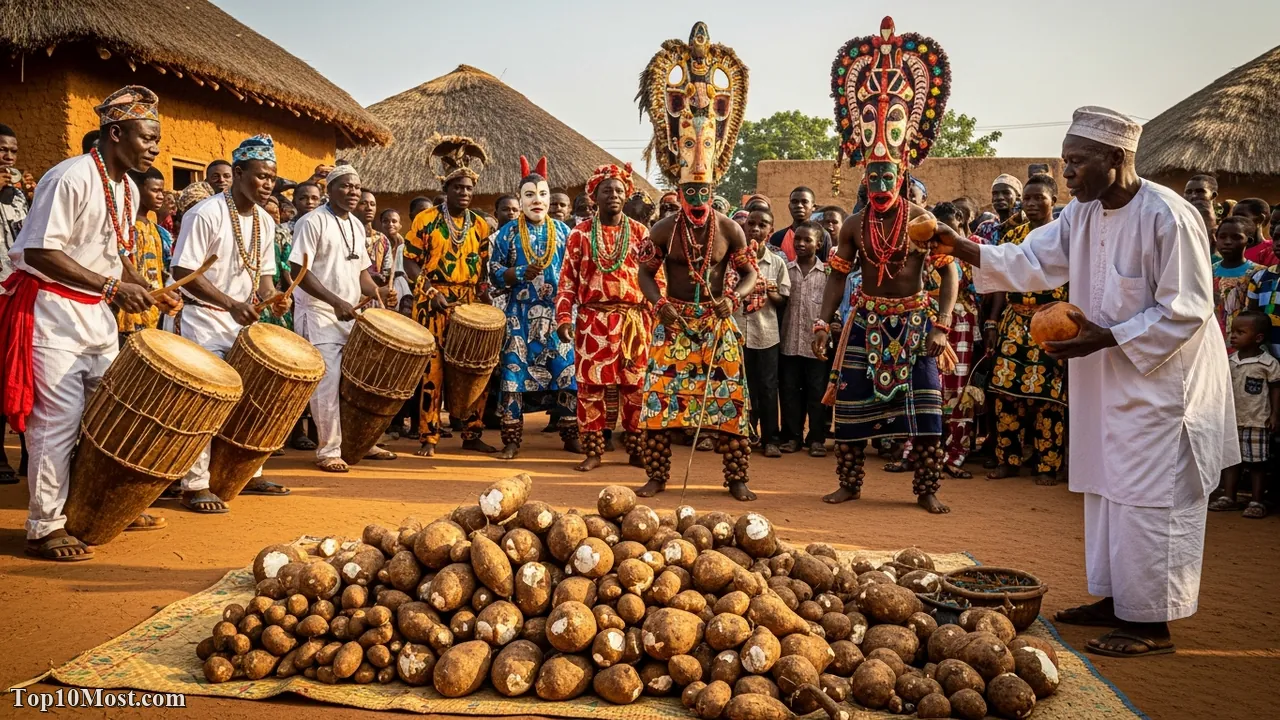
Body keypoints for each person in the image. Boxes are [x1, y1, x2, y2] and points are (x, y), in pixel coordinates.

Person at [938, 106, 1235, 657]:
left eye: (1076, 161)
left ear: (1116, 158)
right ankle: (1118, 598)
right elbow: (1030, 260)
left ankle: (1151, 624)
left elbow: (1188, 309)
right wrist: (957, 244)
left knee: (1149, 498)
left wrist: (1106, 337)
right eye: (1066, 160)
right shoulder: (1082, 214)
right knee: (1106, 489)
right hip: (1104, 381)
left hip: (1161, 388)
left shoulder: (1168, 215)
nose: (1066, 173)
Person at [2, 86, 176, 559]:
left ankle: (102, 504)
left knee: (105, 418)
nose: (155, 149)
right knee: (56, 424)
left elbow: (113, 254)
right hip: (54, 315)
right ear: (115, 132)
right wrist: (115, 289)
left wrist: (144, 285)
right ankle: (44, 526)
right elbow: (40, 250)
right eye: (148, 138)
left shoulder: (123, 186)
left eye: (157, 140)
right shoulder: (70, 177)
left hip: (96, 316)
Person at [812, 18, 957, 514]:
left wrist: (941, 326)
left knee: (928, 413)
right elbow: (836, 273)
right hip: (866, 321)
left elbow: (951, 271)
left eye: (886, 172)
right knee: (850, 412)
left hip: (915, 324)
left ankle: (927, 490)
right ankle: (850, 484)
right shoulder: (853, 225)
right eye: (872, 172)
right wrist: (823, 319)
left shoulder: (923, 222)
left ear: (902, 171)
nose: (878, 179)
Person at [634, 23, 757, 502]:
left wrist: (733, 298)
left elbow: (748, 273)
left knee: (731, 406)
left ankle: (737, 478)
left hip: (717, 322)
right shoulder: (663, 229)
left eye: (704, 194)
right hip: (674, 323)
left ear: (714, 192)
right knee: (659, 407)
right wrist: (658, 302)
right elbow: (645, 271)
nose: (697, 201)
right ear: (680, 192)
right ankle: (657, 476)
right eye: (690, 193)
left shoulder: (730, 229)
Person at [171, 134, 291, 507]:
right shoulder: (205, 213)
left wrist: (274, 300)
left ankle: (243, 474)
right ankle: (194, 485)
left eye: (272, 177)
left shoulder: (265, 222)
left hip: (239, 323)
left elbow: (266, 276)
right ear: (237, 173)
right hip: (201, 320)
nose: (268, 184)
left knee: (245, 401)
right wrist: (230, 303)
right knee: (203, 403)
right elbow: (183, 268)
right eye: (260, 176)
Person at [402, 135, 494, 457]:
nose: (465, 193)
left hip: (467, 305)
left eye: (469, 188)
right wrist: (427, 291)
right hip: (432, 303)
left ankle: (472, 433)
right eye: (458, 188)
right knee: (433, 372)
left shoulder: (480, 225)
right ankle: (429, 435)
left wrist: (483, 300)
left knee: (474, 369)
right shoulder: (425, 220)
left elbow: (481, 269)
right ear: (447, 190)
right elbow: (409, 261)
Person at [291, 164, 388, 472]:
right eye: (346, 186)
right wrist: (334, 302)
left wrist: (377, 292)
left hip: (350, 315)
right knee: (327, 384)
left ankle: (359, 441)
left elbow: (361, 271)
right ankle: (329, 450)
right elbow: (298, 272)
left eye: (357, 187)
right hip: (319, 314)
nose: (353, 192)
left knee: (356, 383)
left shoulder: (357, 226)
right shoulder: (312, 222)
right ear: (329, 190)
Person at [555, 165, 650, 472]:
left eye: (619, 190)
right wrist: (564, 319)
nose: (613, 195)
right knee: (590, 389)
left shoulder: (640, 233)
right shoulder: (579, 234)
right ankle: (594, 451)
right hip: (592, 321)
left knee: (635, 388)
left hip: (632, 322)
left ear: (627, 195)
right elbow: (567, 280)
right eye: (606, 190)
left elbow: (654, 277)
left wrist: (654, 315)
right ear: (594, 196)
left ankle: (636, 449)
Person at [982, 175, 1069, 486]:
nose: (1031, 204)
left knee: (1050, 401)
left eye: (1038, 199)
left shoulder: (1065, 239)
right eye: (1027, 199)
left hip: (1052, 325)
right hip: (1015, 323)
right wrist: (992, 321)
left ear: (1054, 201)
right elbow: (999, 281)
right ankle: (1009, 460)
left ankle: (1047, 466)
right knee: (1005, 394)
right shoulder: (1013, 236)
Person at [489, 157, 576, 459]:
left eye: (542, 194)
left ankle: (569, 434)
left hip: (557, 316)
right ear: (520, 198)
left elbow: (575, 273)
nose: (536, 200)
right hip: (520, 316)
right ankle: (512, 440)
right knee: (513, 377)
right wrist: (514, 274)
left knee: (566, 373)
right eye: (529, 194)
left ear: (549, 198)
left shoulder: (565, 232)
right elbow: (494, 270)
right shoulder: (508, 233)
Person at [1208, 311, 1278, 519]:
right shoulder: (1229, 361)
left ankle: (1256, 500)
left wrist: (1275, 415)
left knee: (1257, 463)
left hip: (1257, 420)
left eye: (1240, 332)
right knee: (1231, 460)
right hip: (1232, 420)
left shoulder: (1268, 364)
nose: (1233, 336)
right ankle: (1229, 497)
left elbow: (1275, 389)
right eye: (1232, 331)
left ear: (1258, 338)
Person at [930, 202, 982, 477]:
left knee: (960, 389)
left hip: (962, 322)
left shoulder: (976, 246)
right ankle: (927, 454)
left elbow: (984, 290)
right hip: (932, 321)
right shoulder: (931, 247)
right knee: (932, 386)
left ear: (959, 219)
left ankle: (956, 454)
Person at [735, 208, 789, 458]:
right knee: (740, 385)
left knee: (768, 386)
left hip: (766, 333)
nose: (755, 228)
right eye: (751, 224)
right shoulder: (734, 258)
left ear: (771, 229)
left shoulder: (777, 262)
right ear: (744, 227)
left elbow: (783, 301)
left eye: (762, 225)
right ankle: (741, 435)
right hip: (737, 331)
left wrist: (770, 290)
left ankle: (771, 438)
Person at [779, 221, 829, 456]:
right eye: (797, 239)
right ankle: (791, 436)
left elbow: (834, 305)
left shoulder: (828, 274)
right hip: (789, 341)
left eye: (807, 240)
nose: (800, 243)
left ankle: (817, 438)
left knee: (817, 392)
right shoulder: (786, 271)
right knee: (789, 391)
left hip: (816, 346)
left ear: (818, 244)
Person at [0, 123, 29, 485]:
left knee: (20, 372)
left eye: (12, 151)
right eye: (1, 149)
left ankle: (27, 454)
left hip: (14, 292)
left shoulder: (18, 197)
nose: (8, 157)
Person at [118, 167, 174, 340]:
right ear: (136, 190)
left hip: (153, 311)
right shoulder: (125, 227)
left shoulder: (156, 231)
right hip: (128, 312)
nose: (160, 196)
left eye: (162, 191)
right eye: (155, 190)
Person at [1211, 217, 1262, 350]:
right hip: (1212, 338)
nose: (1227, 242)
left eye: (1236, 237)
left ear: (1248, 241)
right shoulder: (1207, 271)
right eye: (1222, 237)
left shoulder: (1258, 273)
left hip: (1244, 344)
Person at [768, 186, 817, 261]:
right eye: (794, 202)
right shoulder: (778, 237)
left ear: (814, 207)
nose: (799, 206)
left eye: (804, 202)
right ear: (789, 206)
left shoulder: (823, 236)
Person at [974, 175, 1025, 245]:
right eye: (995, 194)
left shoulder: (1025, 224)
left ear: (1017, 197)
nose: (999, 197)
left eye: (1006, 193)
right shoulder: (985, 227)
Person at [357, 191, 392, 287]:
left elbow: (387, 270)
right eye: (363, 203)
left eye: (372, 204)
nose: (369, 208)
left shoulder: (382, 240)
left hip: (376, 294)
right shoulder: (347, 236)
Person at [1237, 198, 1274, 266]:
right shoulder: (1229, 248)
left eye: (1241, 216)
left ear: (1259, 220)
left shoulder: (1272, 251)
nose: (1235, 220)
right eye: (1233, 216)